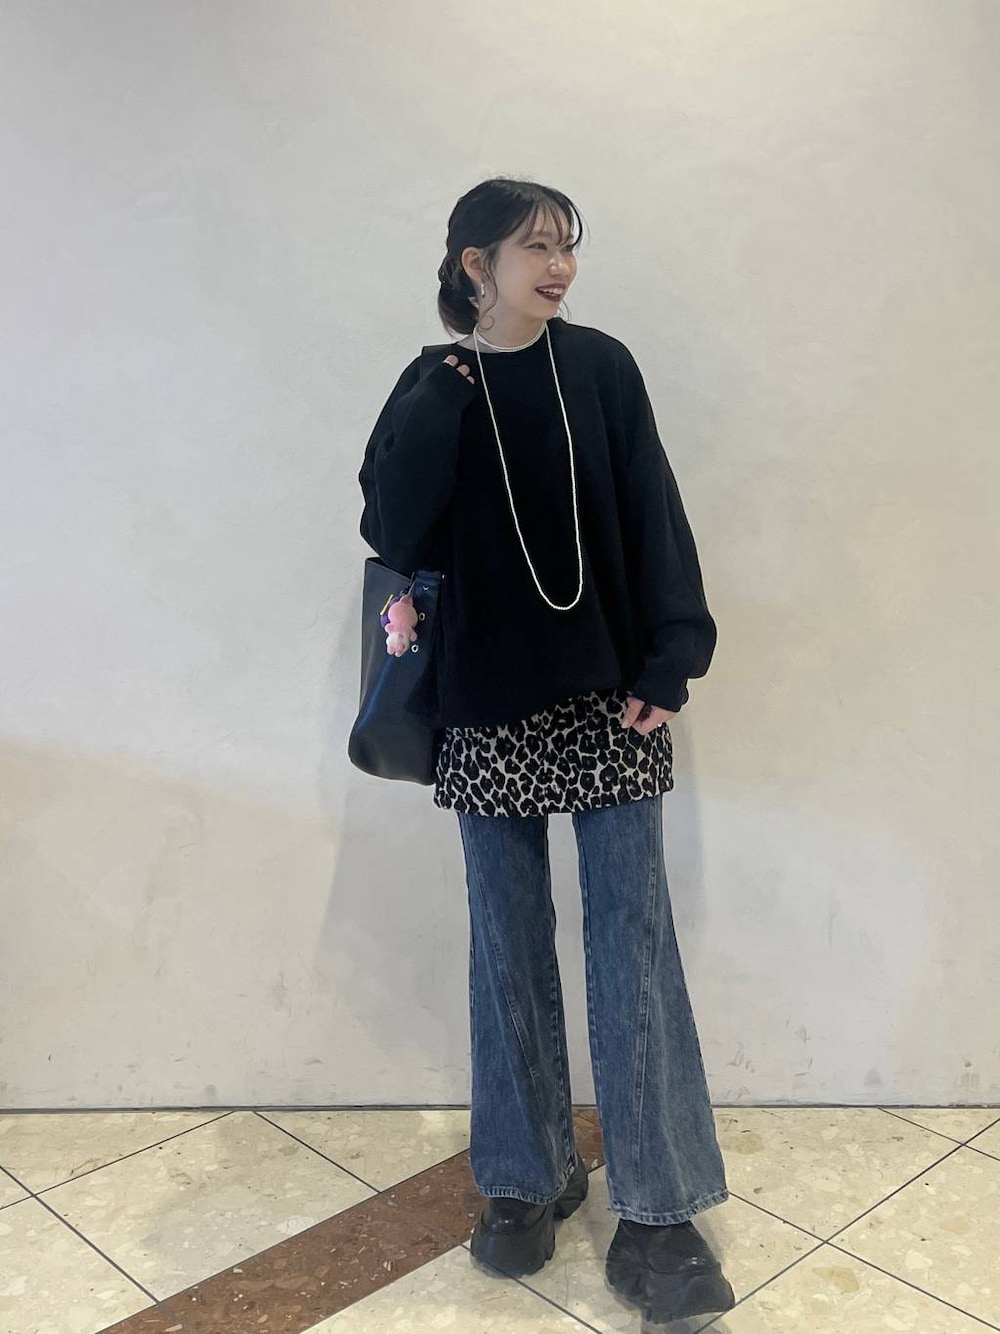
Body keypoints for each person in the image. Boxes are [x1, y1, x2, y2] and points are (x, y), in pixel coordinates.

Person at [357, 177, 736, 1326]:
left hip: (609, 699)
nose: (558, 265)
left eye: (566, 245)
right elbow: (390, 523)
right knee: (506, 944)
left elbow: (653, 509)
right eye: (534, 246)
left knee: (633, 945)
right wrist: (450, 382)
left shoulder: (602, 368)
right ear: (475, 264)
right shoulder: (434, 383)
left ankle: (659, 1212)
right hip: (483, 703)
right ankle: (527, 1177)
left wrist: (672, 655)